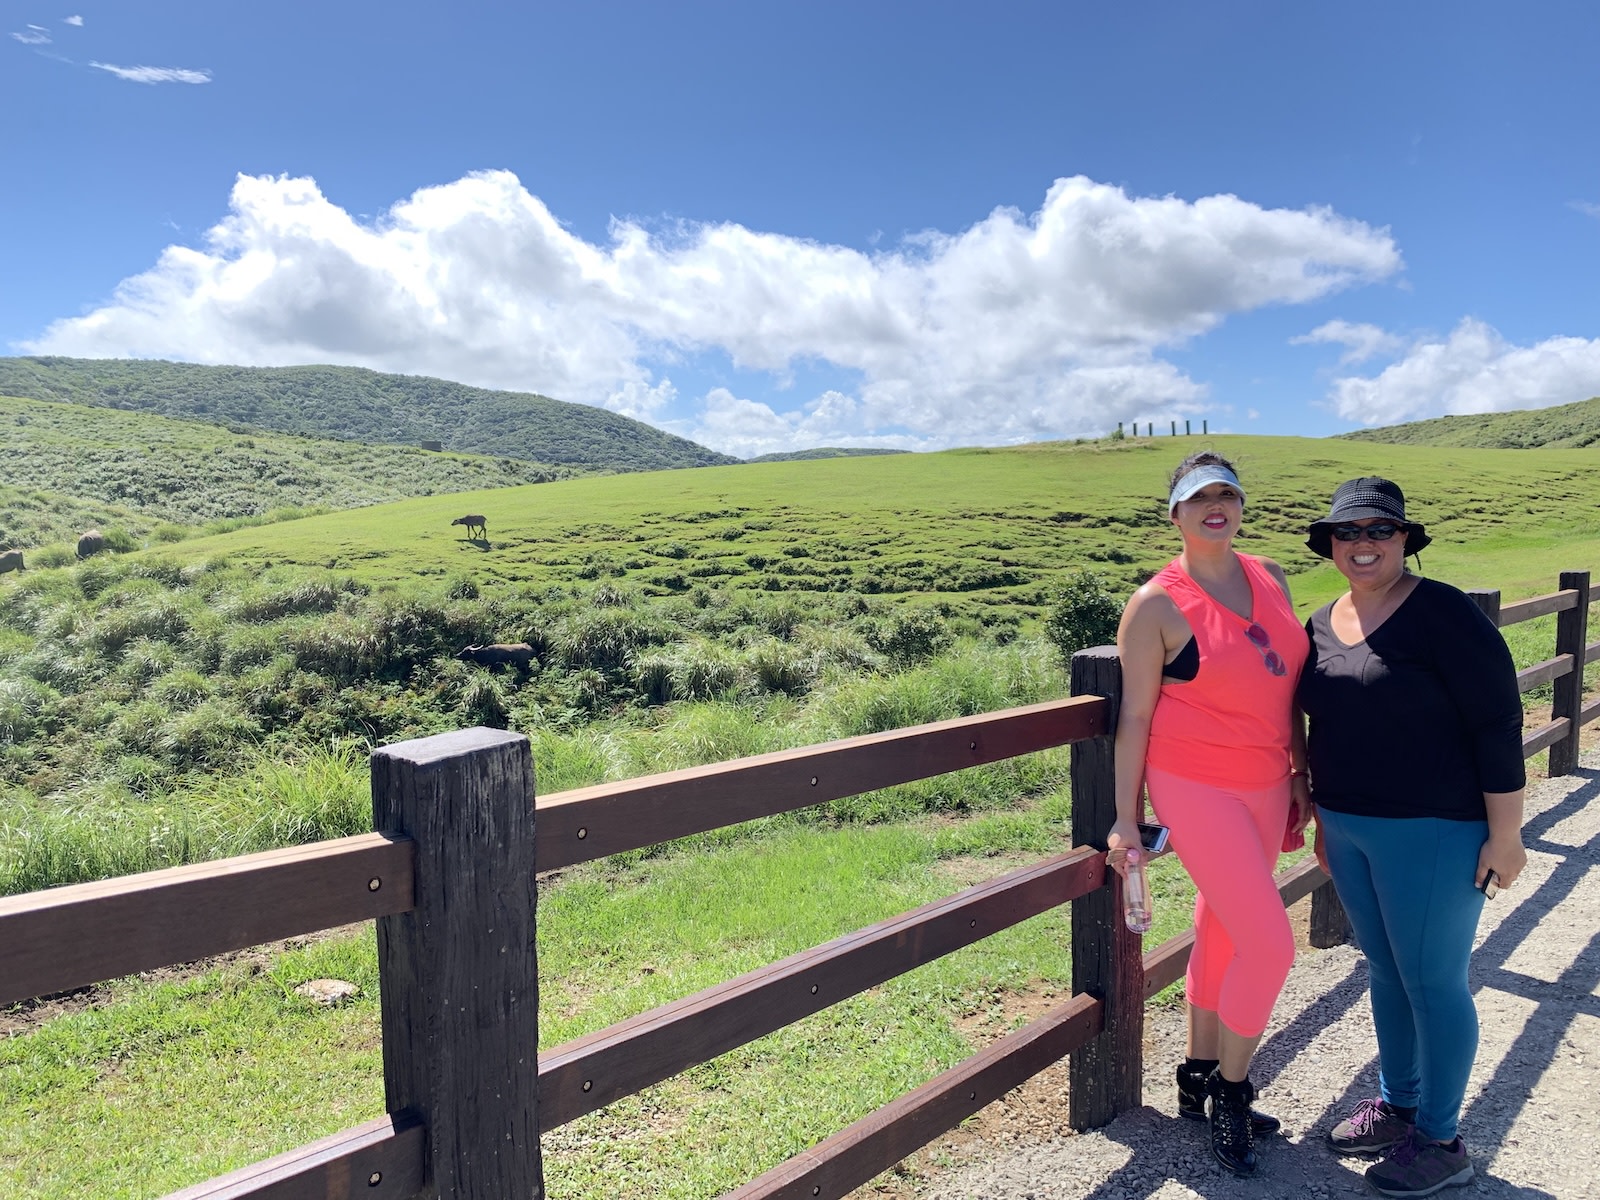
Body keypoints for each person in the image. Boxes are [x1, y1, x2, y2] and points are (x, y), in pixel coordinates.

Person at [1298, 477, 1527, 1199]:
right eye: (1348, 533)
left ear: (1404, 540)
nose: (1362, 545)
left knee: (1432, 982)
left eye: (1378, 531)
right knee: (1386, 971)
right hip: (1348, 826)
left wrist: (1507, 834)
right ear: (1331, 544)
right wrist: (1318, 816)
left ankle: (1441, 1139)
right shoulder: (1320, 620)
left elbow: (1497, 721)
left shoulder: (1443, 613)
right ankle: (1400, 1108)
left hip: (1434, 827)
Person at [1109, 450, 1312, 1177]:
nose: (1215, 505)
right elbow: (1134, 718)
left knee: (1223, 925)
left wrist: (1298, 771)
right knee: (1272, 944)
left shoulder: (1273, 577)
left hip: (1266, 781)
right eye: (1199, 497)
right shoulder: (1157, 604)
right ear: (1176, 514)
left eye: (1227, 492)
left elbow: (1287, 688)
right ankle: (1232, 1090)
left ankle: (1197, 1071)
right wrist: (1125, 820)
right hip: (1195, 784)